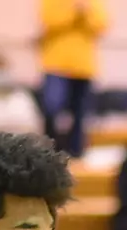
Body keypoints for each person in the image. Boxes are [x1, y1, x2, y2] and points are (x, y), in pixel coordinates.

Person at [39, 0, 107, 155]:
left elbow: (101, 25)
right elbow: (48, 20)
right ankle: (49, 153)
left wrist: (85, 11)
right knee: (52, 108)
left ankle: (77, 154)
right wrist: (73, 10)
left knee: (81, 114)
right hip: (56, 64)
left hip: (83, 66)